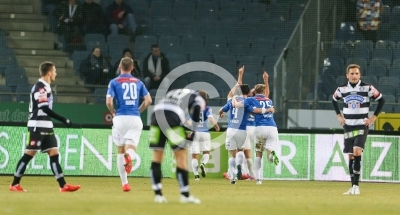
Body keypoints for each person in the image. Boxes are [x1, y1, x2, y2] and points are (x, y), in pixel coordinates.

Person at [9, 61, 81, 192]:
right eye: (54, 71)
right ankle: (14, 184)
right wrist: (64, 119)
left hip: (46, 125)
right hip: (37, 125)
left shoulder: (46, 87)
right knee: (29, 154)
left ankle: (63, 186)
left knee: (54, 153)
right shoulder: (40, 87)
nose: (56, 73)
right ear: (49, 73)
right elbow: (44, 108)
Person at [332, 64, 385, 195]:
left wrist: (373, 117)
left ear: (360, 75)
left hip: (362, 125)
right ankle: (353, 186)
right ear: (347, 75)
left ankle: (356, 186)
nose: (354, 76)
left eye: (356, 73)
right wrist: (339, 115)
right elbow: (334, 100)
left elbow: (381, 100)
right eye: (352, 74)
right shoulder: (342, 89)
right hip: (348, 126)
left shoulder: (367, 88)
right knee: (350, 155)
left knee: (357, 152)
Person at [149, 89, 205, 204]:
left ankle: (158, 195)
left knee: (157, 156)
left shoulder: (175, 91)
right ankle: (185, 195)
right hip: (171, 117)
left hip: (155, 115)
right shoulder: (197, 96)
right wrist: (194, 130)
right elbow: (198, 108)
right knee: (181, 156)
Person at [106, 57, 152, 192]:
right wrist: (139, 110)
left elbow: (109, 102)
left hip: (119, 118)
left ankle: (125, 184)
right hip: (134, 119)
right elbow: (148, 100)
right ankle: (130, 157)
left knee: (120, 151)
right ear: (132, 68)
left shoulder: (114, 82)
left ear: (120, 66)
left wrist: (113, 112)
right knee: (131, 147)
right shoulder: (138, 82)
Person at [189, 90, 220, 180]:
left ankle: (196, 176)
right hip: (205, 133)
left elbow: (189, 122)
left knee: (195, 155)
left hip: (195, 132)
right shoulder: (207, 108)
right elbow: (210, 118)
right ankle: (203, 164)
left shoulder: (192, 107)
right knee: (206, 152)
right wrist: (216, 125)